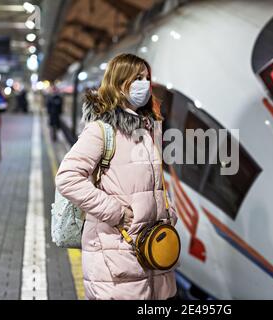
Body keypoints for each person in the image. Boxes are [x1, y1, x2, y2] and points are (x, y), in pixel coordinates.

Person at [55, 53, 179, 300]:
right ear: (119, 83)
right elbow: (67, 177)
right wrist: (116, 212)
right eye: (137, 78)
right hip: (115, 260)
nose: (144, 84)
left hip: (150, 253)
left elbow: (150, 185)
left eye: (146, 78)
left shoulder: (147, 127)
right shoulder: (102, 130)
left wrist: (167, 213)